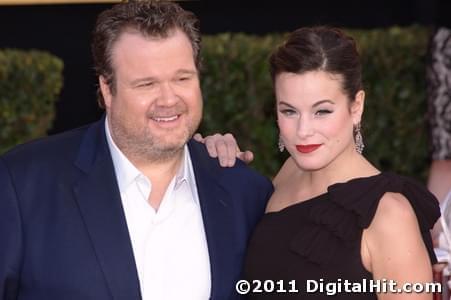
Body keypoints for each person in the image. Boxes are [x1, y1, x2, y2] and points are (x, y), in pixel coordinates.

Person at [0, 1, 273, 299]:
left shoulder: (245, 193)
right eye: (146, 84)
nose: (169, 100)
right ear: (107, 89)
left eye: (182, 78)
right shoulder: (22, 186)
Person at [199, 26, 441, 299]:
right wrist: (209, 160)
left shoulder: (389, 216)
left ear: (356, 106)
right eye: (289, 111)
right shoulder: (289, 173)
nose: (303, 130)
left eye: (322, 111)